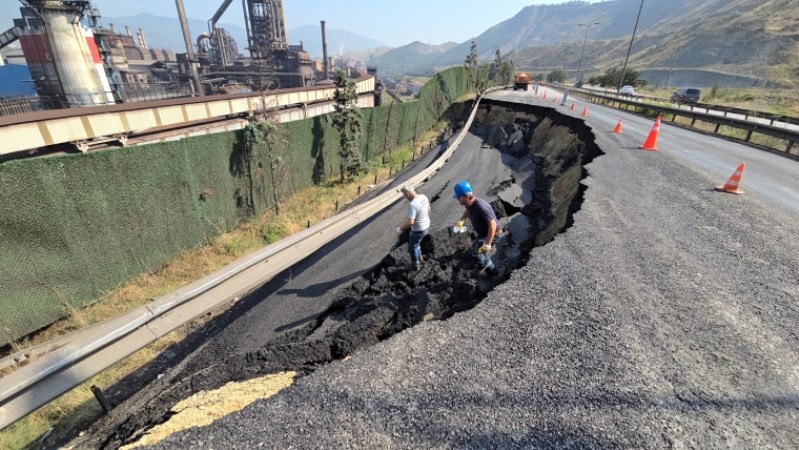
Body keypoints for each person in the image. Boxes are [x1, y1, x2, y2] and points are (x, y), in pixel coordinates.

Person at [453, 180, 501, 276]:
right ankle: (484, 259)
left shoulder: (481, 206)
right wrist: (461, 221)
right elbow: (468, 210)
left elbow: (493, 224)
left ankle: (490, 270)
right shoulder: (470, 203)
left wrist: (487, 244)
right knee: (478, 250)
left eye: (458, 197)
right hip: (483, 233)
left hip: (492, 233)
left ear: (465, 196)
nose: (457, 200)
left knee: (476, 254)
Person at [396, 185, 431, 270]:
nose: (405, 197)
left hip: (418, 229)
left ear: (407, 194)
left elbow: (411, 222)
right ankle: (420, 258)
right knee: (417, 244)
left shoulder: (412, 204)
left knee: (413, 246)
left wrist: (401, 229)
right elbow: (429, 209)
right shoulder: (423, 197)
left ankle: (415, 265)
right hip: (427, 225)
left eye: (404, 195)